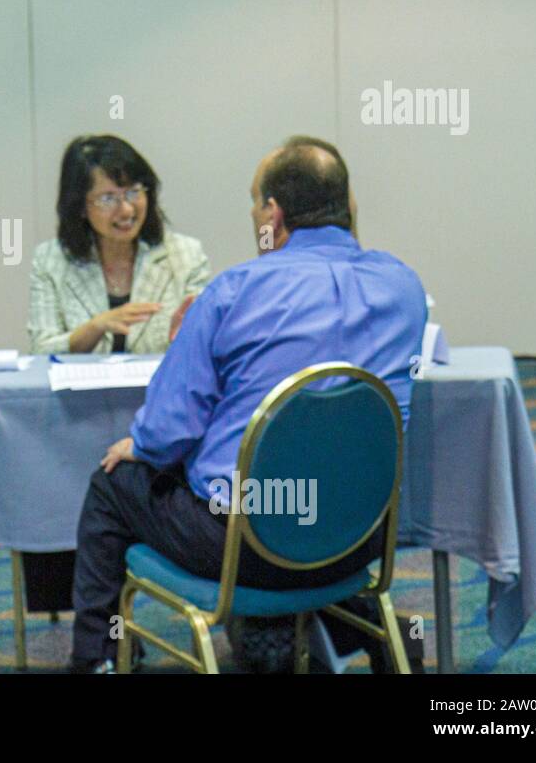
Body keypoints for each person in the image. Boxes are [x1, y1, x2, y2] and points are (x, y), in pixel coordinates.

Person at [70, 136, 427, 673]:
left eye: (255, 202)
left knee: (113, 482)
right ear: (347, 205)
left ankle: (95, 662)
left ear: (273, 213)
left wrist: (137, 444)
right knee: (307, 492)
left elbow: (168, 433)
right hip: (358, 538)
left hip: (246, 546)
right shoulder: (404, 287)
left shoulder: (232, 292)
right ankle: (339, 622)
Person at [28, 135, 210, 356]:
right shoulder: (50, 260)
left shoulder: (186, 255)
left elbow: (206, 347)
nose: (126, 210)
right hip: (81, 390)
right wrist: (95, 327)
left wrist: (184, 337)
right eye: (108, 199)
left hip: (158, 388)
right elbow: (41, 350)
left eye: (133, 192)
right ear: (81, 207)